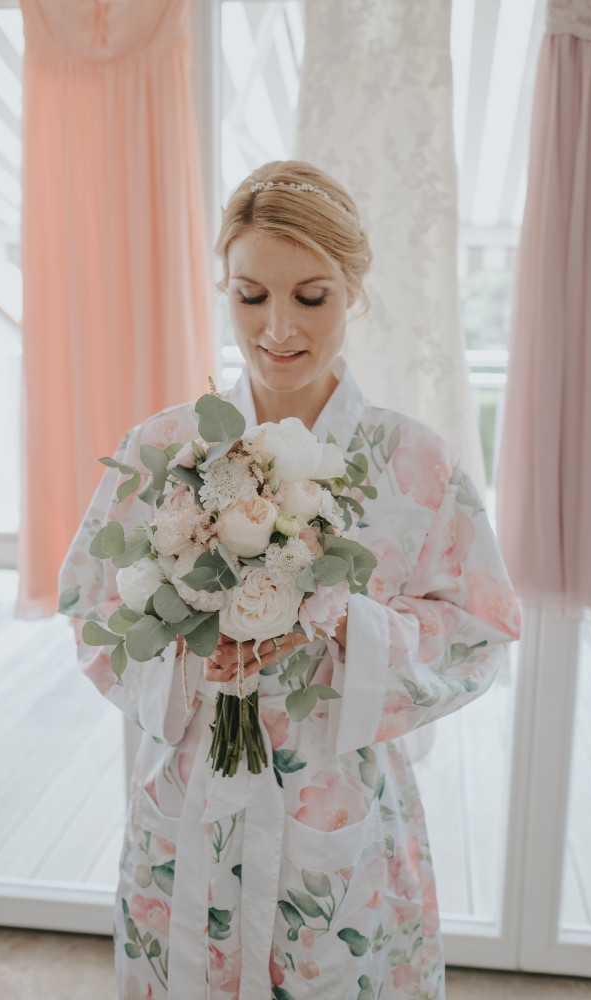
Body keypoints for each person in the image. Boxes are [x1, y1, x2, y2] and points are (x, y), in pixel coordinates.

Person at [59, 160, 520, 1000]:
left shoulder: (414, 463)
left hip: (335, 804)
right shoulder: (164, 450)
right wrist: (188, 656)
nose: (277, 328)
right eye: (250, 296)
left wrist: (347, 622)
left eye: (311, 297)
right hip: (193, 790)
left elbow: (482, 628)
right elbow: (89, 599)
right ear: (225, 289)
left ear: (354, 291)